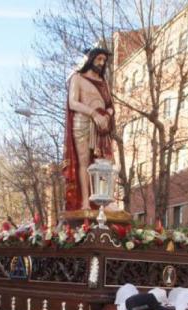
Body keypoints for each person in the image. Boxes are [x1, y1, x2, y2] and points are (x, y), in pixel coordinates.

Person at [64, 46, 115, 211]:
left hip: (101, 126)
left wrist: (106, 116)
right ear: (91, 59)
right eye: (99, 59)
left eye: (104, 61)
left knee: (104, 163)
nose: (101, 63)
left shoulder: (103, 82)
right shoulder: (77, 78)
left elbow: (110, 105)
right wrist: (93, 114)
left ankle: (105, 201)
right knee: (84, 162)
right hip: (83, 122)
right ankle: (85, 201)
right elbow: (73, 102)